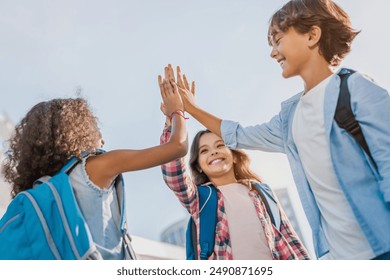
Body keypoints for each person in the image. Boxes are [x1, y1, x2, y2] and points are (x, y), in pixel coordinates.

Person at [170, 0, 390, 260]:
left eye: (278, 40)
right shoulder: (290, 118)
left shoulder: (356, 90)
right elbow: (238, 133)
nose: (273, 53)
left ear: (312, 35)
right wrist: (192, 109)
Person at [1, 72, 188, 259]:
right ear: (79, 131)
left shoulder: (50, 193)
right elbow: (178, 147)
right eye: (96, 130)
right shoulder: (94, 167)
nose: (103, 140)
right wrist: (177, 111)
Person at [159, 69, 310, 260]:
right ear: (198, 166)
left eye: (220, 145)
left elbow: (289, 239)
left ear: (235, 155)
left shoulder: (261, 193)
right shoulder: (201, 198)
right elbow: (174, 175)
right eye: (204, 151)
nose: (213, 151)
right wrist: (174, 117)